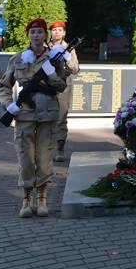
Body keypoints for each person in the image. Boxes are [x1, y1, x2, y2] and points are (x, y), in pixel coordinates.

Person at [0, 18, 69, 218]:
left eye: (40, 32)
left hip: (48, 114)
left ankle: (42, 199)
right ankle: (27, 199)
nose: (36, 35)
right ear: (28, 36)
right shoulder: (18, 58)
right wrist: (9, 105)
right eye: (33, 32)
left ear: (46, 35)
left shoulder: (55, 58)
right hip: (24, 114)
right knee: (26, 157)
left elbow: (61, 86)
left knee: (44, 158)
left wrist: (50, 74)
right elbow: (4, 86)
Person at [48, 20, 80, 162]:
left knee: (61, 118)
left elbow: (75, 69)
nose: (57, 33)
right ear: (50, 32)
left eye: (60, 30)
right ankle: (46, 148)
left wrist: (67, 58)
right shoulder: (44, 47)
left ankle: (59, 149)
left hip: (63, 86)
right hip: (46, 86)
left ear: (64, 33)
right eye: (54, 30)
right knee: (45, 117)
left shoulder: (70, 48)